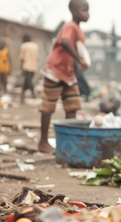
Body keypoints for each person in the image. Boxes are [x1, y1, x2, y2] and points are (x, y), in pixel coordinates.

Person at [37, 0, 89, 154]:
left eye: (88, 10)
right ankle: (43, 142)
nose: (87, 14)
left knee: (72, 106)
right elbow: (65, 42)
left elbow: (74, 50)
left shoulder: (78, 29)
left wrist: (77, 65)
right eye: (84, 10)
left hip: (68, 74)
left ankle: (67, 142)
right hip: (55, 70)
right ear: (73, 11)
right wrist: (79, 60)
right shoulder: (70, 26)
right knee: (48, 106)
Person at [19, 33, 39, 103]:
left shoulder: (23, 46)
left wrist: (21, 68)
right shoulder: (35, 45)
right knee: (28, 80)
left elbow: (22, 58)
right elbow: (37, 57)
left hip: (26, 66)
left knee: (28, 81)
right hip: (33, 66)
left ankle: (30, 94)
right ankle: (24, 95)